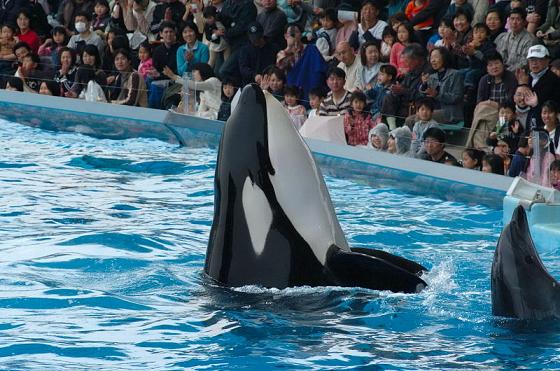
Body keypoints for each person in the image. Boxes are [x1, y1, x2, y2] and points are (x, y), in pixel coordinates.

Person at [410, 47, 464, 125]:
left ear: (444, 58)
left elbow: (457, 97)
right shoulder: (432, 77)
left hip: (450, 113)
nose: (433, 60)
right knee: (409, 120)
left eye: (436, 57)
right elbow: (423, 95)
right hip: (432, 110)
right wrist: (424, 84)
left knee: (418, 119)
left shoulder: (456, 74)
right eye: (431, 58)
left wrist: (437, 94)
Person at [381, 43, 429, 123]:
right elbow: (403, 86)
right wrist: (396, 88)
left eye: (407, 61)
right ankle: (391, 127)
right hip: (405, 100)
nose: (404, 64)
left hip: (417, 105)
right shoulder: (411, 71)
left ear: (416, 60)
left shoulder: (427, 72)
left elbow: (422, 94)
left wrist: (403, 91)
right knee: (388, 97)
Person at [517, 45, 560, 130]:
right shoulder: (526, 78)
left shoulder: (553, 80)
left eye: (538, 60)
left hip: (547, 126)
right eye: (531, 60)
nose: (534, 63)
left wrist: (536, 103)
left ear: (547, 61)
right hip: (529, 122)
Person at [495, 8, 538, 72]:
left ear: (524, 22)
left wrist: (506, 71)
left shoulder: (530, 39)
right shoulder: (505, 36)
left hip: (518, 74)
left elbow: (525, 63)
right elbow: (500, 56)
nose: (514, 22)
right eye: (512, 19)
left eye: (518, 19)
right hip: (502, 71)